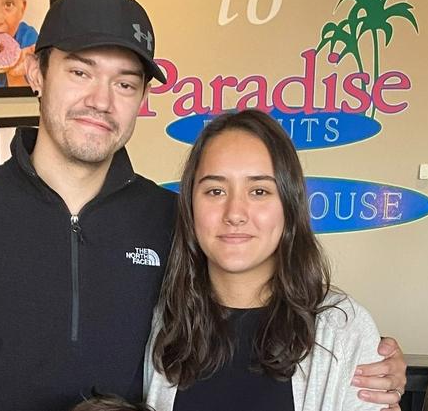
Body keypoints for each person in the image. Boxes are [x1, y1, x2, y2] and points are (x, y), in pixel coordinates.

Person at [0, 0, 408, 411]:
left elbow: (260, 315)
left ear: (141, 98)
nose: (100, 100)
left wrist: (369, 358)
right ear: (36, 73)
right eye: (80, 72)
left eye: (125, 84)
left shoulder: (175, 223)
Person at [145, 110, 386, 411]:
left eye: (259, 191)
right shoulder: (160, 321)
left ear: (289, 204)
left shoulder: (344, 329)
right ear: (190, 205)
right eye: (215, 191)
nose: (235, 213)